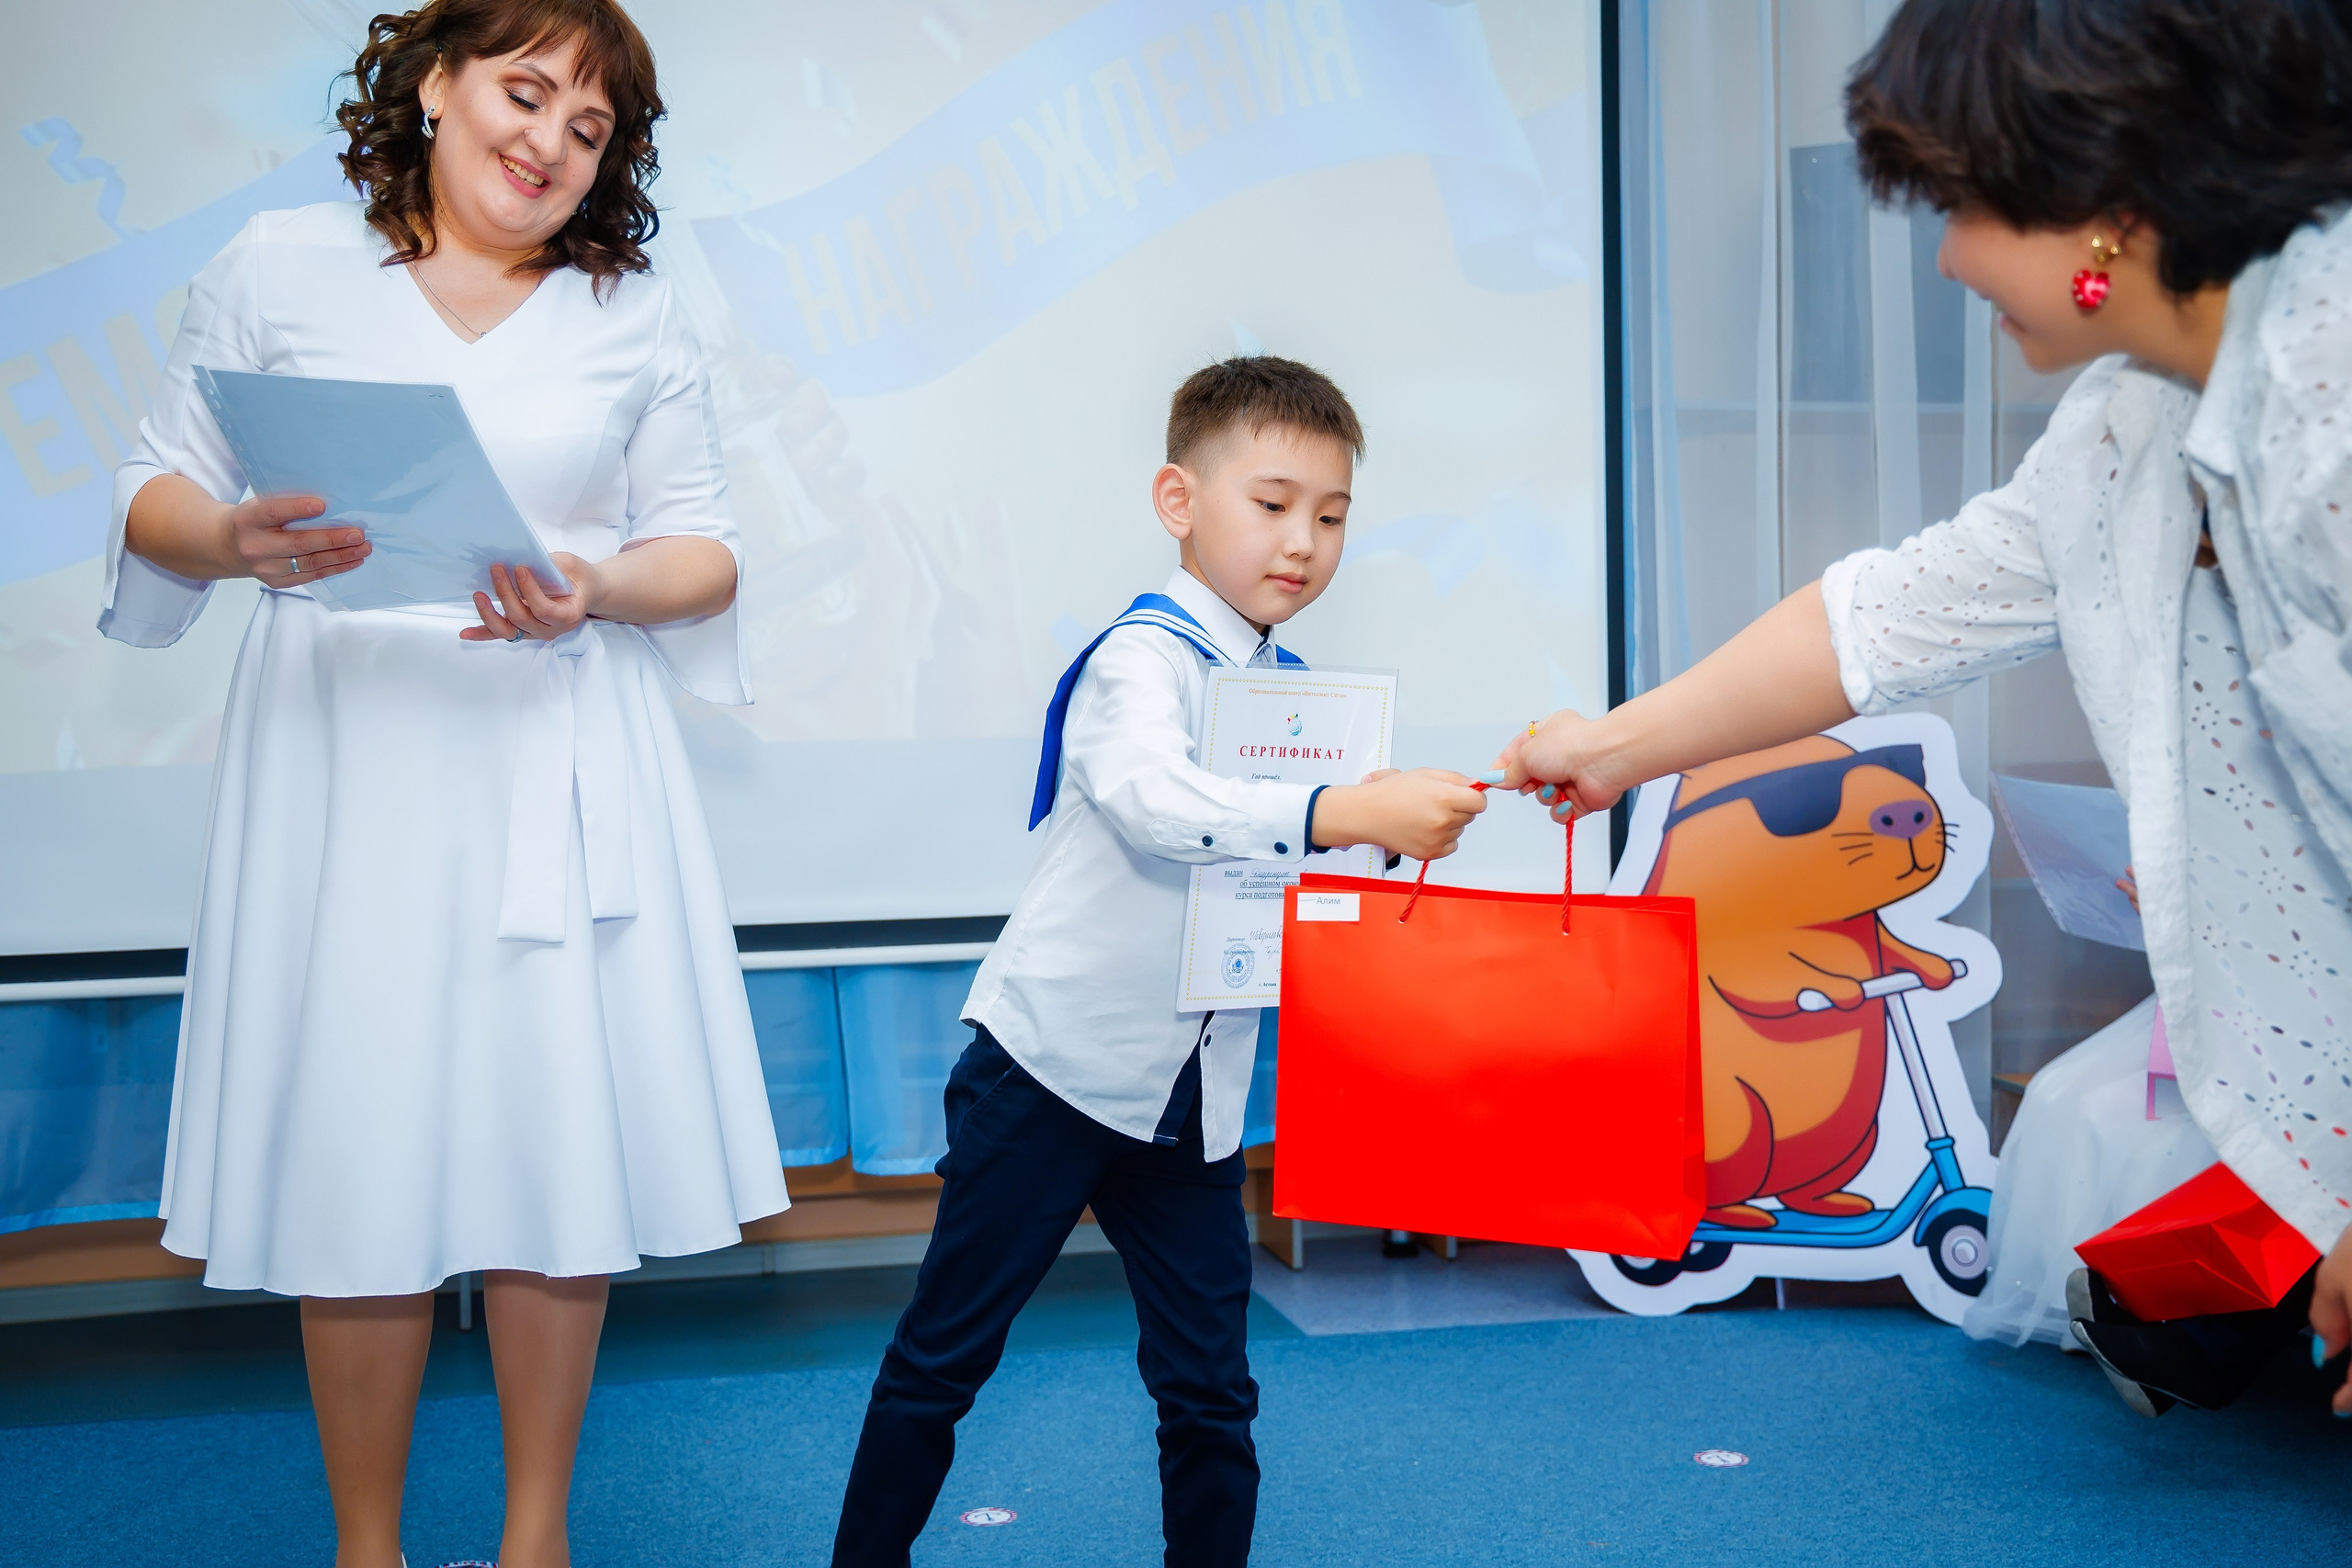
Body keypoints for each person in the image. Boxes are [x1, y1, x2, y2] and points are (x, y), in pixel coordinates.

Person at [1499, 0, 2352, 1417]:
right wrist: (1614, 747)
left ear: (2108, 201)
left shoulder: (2327, 409)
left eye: (1963, 205)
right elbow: (1885, 617)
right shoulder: (2124, 427)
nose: (1947, 258)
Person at [103, 2, 786, 1562]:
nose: (547, 142)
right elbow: (155, 486)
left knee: (557, 1142)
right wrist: (228, 538)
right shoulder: (278, 266)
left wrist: (598, 584)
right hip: (349, 764)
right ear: (431, 82)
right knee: (364, 1145)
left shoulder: (630, 306)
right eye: (523, 92)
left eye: (590, 126)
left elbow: (707, 548)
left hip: (555, 755)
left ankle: (535, 1539)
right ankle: (371, 1547)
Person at [829, 357, 1489, 1567]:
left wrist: (1423, 816)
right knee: (945, 1356)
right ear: (1179, 500)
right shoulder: (1140, 659)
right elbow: (1153, 800)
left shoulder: (1288, 691)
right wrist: (1345, 812)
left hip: (1192, 1090)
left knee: (1211, 1390)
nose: (1304, 542)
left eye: (1333, 516)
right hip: (1052, 1066)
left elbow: (1282, 857)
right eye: (1274, 502)